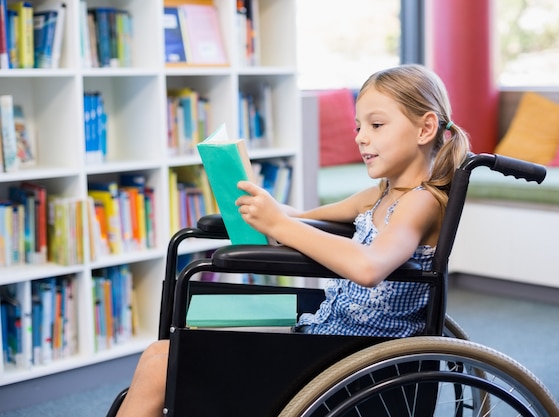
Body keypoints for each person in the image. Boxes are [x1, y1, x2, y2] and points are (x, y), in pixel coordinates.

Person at [114, 64, 471, 417]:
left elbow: (368, 266)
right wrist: (260, 208)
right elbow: (299, 216)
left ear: (425, 128)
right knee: (162, 355)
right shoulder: (380, 194)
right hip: (327, 333)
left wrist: (281, 226)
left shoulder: (421, 202)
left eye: (376, 125)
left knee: (162, 362)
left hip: (352, 360)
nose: (361, 136)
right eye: (359, 126)